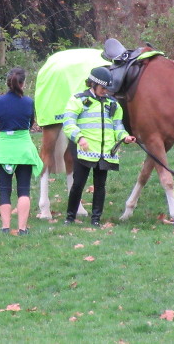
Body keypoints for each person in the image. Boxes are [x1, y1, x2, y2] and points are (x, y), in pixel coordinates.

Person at [62, 66, 135, 227]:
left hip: (105, 153)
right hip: (84, 151)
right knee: (78, 184)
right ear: (93, 84)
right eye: (103, 88)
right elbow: (68, 123)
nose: (105, 91)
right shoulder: (79, 100)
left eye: (107, 89)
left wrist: (125, 137)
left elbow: (118, 127)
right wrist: (79, 137)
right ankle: (70, 216)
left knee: (100, 186)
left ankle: (96, 218)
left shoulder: (113, 104)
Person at [0, 68, 43, 235]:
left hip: (4, 149)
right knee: (24, 190)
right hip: (24, 149)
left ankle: (5, 227)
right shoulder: (29, 102)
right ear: (23, 83)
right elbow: (30, 123)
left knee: (4, 190)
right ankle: (22, 229)